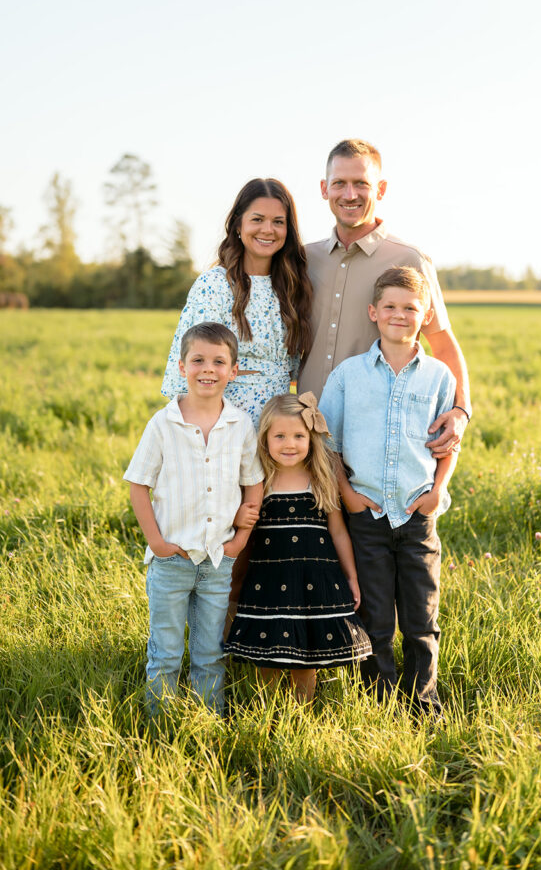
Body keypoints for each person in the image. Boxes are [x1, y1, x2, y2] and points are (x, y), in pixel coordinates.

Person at [318, 267, 459, 717]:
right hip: (367, 516)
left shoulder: (439, 377)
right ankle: (380, 704)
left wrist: (438, 491)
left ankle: (423, 703)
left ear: (426, 315)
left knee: (421, 620)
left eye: (411, 308)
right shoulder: (348, 375)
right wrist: (347, 493)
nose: (400, 315)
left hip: (418, 517)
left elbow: (449, 445)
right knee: (374, 618)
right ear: (373, 312)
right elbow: (328, 443)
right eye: (391, 306)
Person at [124, 322, 264, 716]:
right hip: (171, 559)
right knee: (165, 651)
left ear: (233, 371)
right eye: (198, 360)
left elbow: (253, 483)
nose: (208, 369)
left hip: (218, 560)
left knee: (210, 652)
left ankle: (207, 720)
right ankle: (161, 722)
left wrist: (239, 539)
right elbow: (138, 485)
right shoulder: (163, 423)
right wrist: (156, 543)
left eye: (219, 362)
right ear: (182, 366)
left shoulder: (240, 424)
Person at [298, 139, 471, 456]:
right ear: (324, 189)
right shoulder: (304, 260)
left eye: (361, 184)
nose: (350, 194)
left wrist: (461, 410)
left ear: (381, 189)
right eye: (339, 183)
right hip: (303, 434)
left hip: (374, 442)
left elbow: (442, 343)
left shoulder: (410, 260)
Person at [224, 392, 372, 703]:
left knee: (307, 656)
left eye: (298, 436)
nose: (289, 444)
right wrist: (236, 516)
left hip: (314, 582)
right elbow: (243, 521)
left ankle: (300, 713)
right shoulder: (260, 480)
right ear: (265, 438)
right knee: (266, 653)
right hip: (269, 582)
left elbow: (338, 532)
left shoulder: (320, 478)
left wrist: (352, 576)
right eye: (279, 436)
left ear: (310, 438)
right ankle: (266, 711)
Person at [161, 178, 313, 428]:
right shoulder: (215, 285)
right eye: (257, 219)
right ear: (238, 225)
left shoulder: (291, 287)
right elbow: (194, 365)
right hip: (226, 425)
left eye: (278, 222)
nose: (268, 229)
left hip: (277, 427)